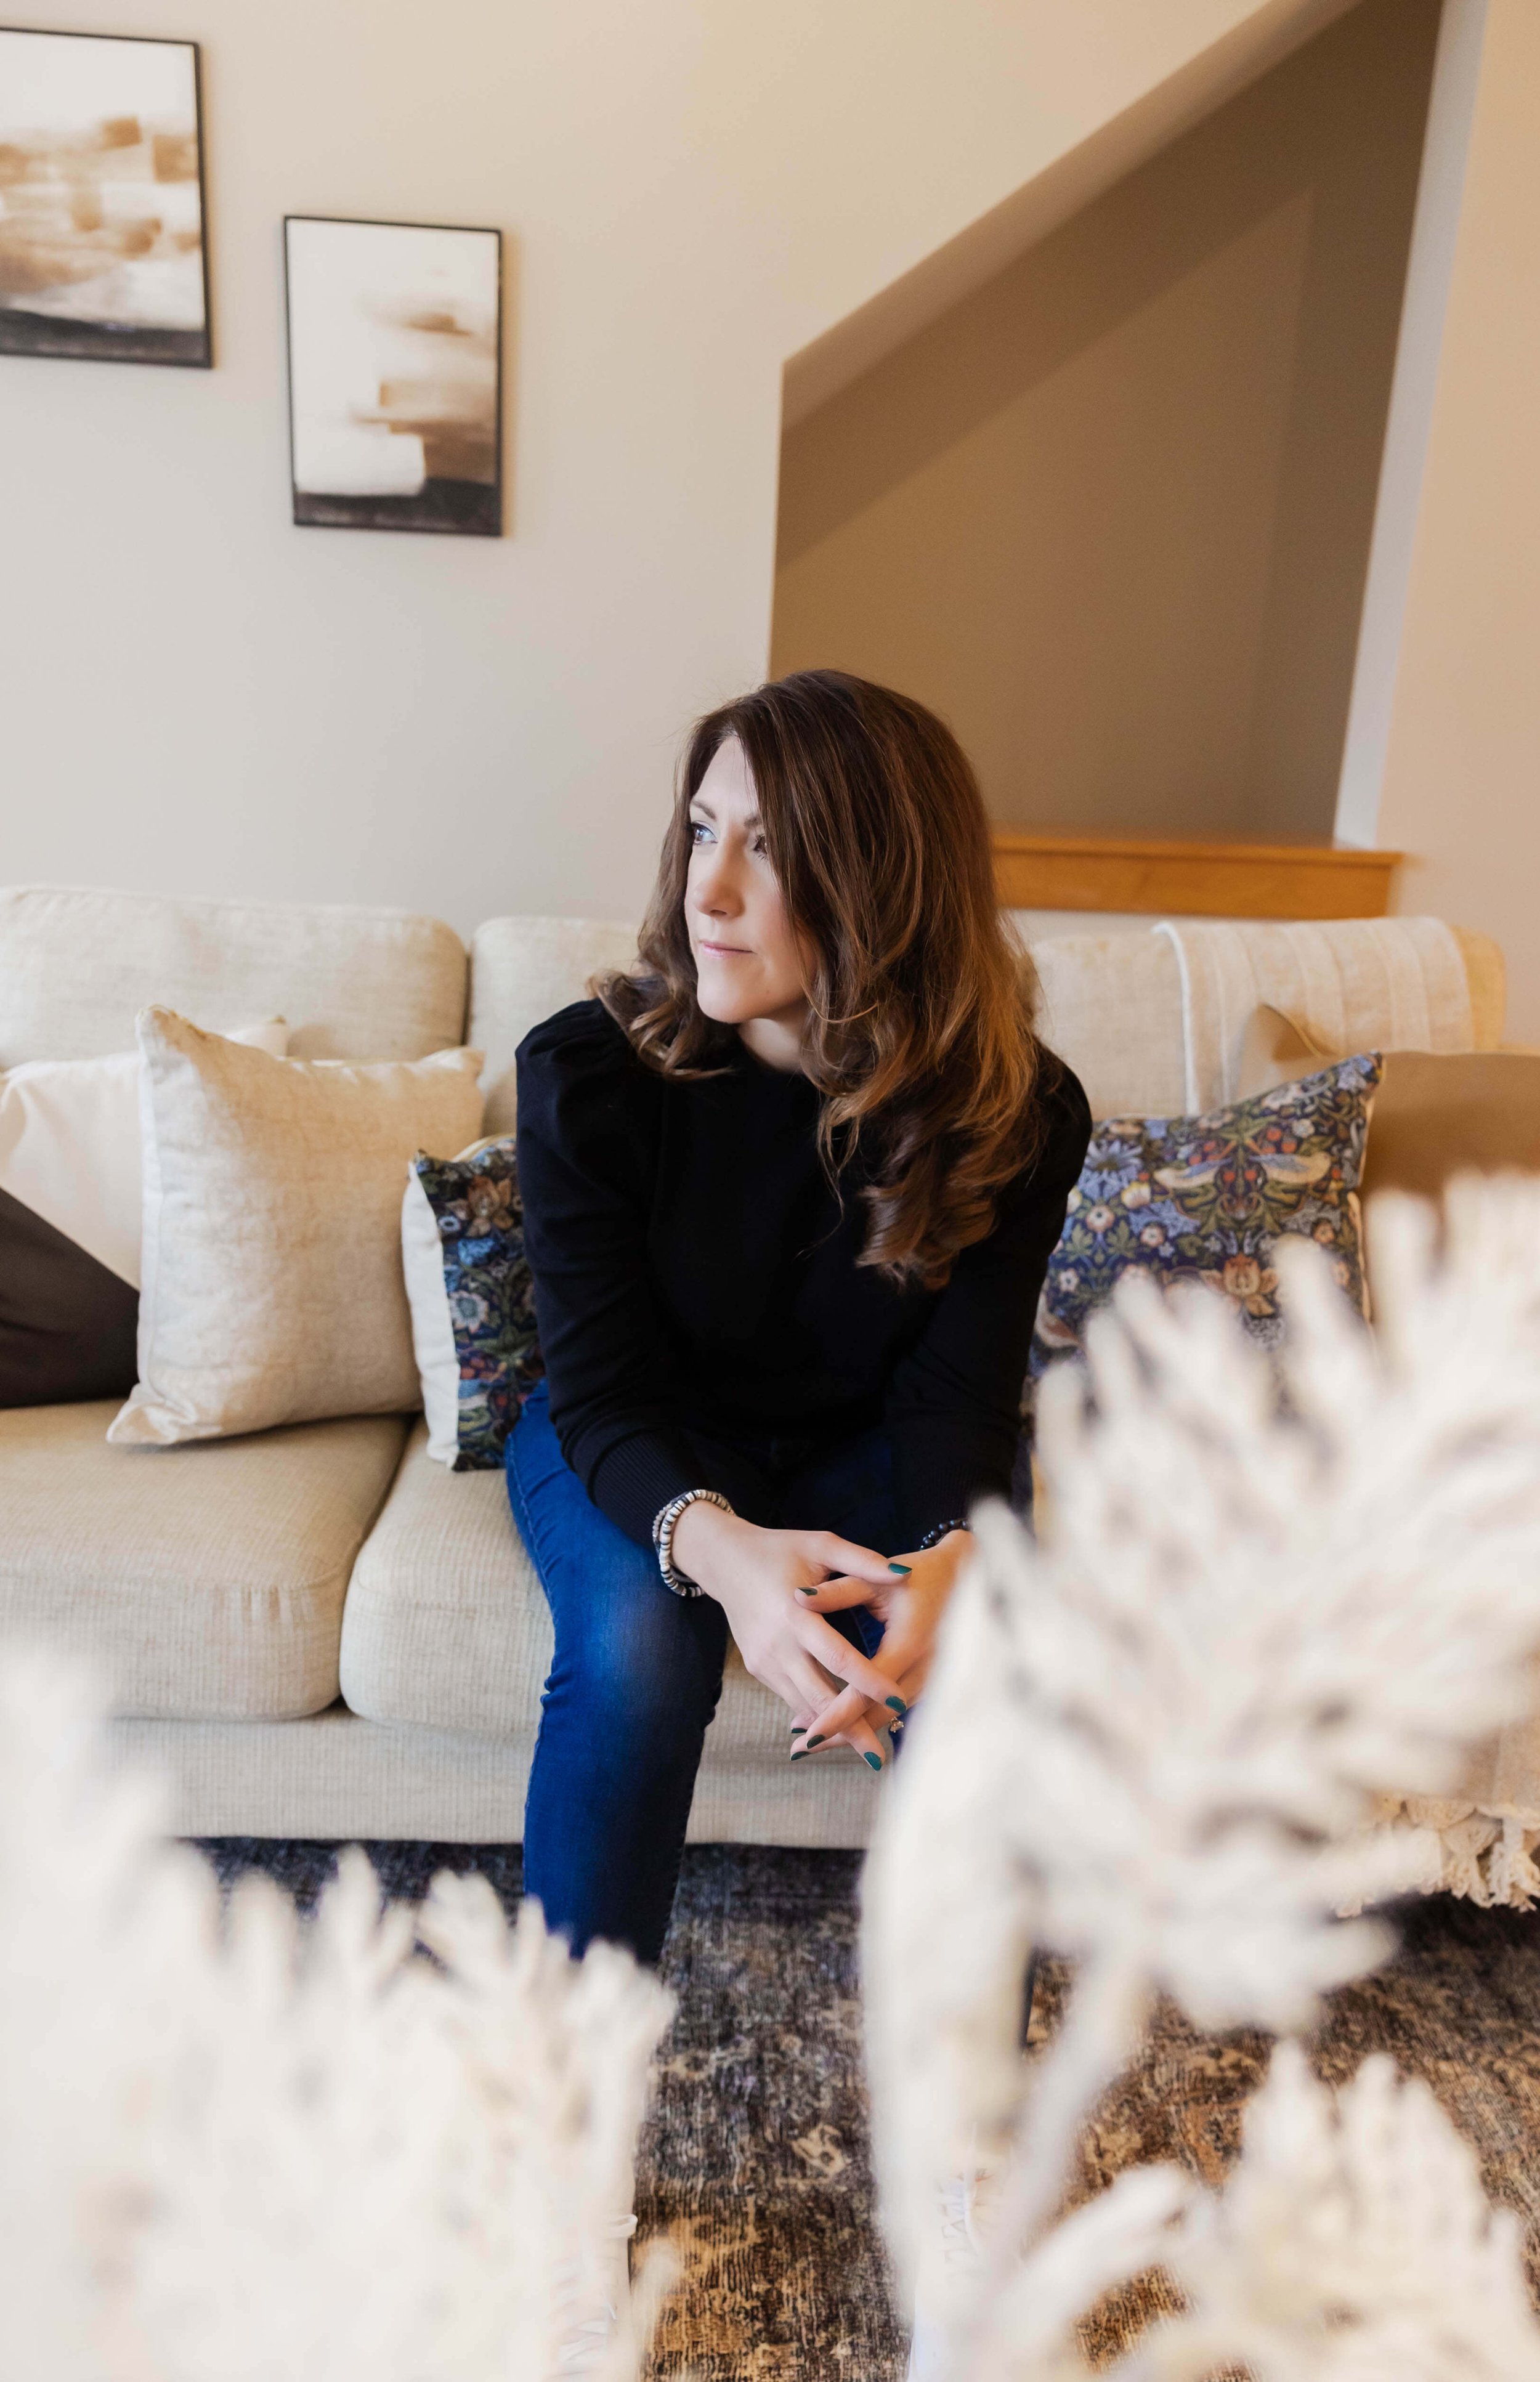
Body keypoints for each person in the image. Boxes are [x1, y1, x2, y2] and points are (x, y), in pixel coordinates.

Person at [508, 669, 1091, 1971]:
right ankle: (551, 2119)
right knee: (641, 1657)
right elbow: (598, 1397)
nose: (705, 892)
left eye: (768, 851)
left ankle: (961, 2148)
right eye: (702, 832)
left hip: (859, 1444)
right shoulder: (585, 1074)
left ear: (881, 881)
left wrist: (951, 1549)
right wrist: (721, 1557)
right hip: (634, 1431)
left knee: (977, 1654)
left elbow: (953, 1399)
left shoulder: (1021, 1107)